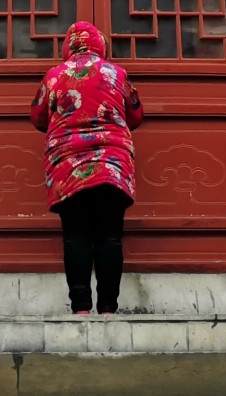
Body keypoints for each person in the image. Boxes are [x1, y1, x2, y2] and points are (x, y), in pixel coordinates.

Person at [29, 20, 143, 314]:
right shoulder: (116, 73)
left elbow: (37, 117)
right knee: (110, 235)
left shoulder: (54, 76)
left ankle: (80, 307)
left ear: (68, 46)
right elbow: (136, 114)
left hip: (67, 164)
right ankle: (108, 308)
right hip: (112, 163)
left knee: (75, 235)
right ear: (99, 45)